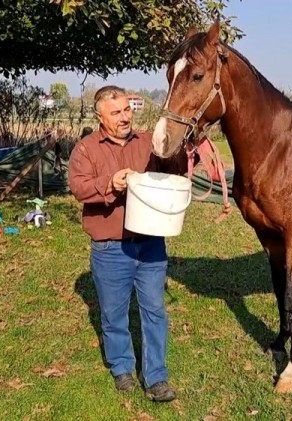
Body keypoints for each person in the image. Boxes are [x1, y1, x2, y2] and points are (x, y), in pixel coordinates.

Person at [68, 85, 181, 402]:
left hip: (150, 243)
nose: (124, 117)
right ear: (100, 116)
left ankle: (156, 377)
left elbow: (172, 169)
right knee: (114, 313)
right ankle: (121, 368)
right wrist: (110, 183)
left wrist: (180, 151)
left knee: (155, 310)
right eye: (115, 112)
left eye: (127, 110)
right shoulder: (86, 149)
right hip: (110, 248)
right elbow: (78, 187)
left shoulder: (147, 142)